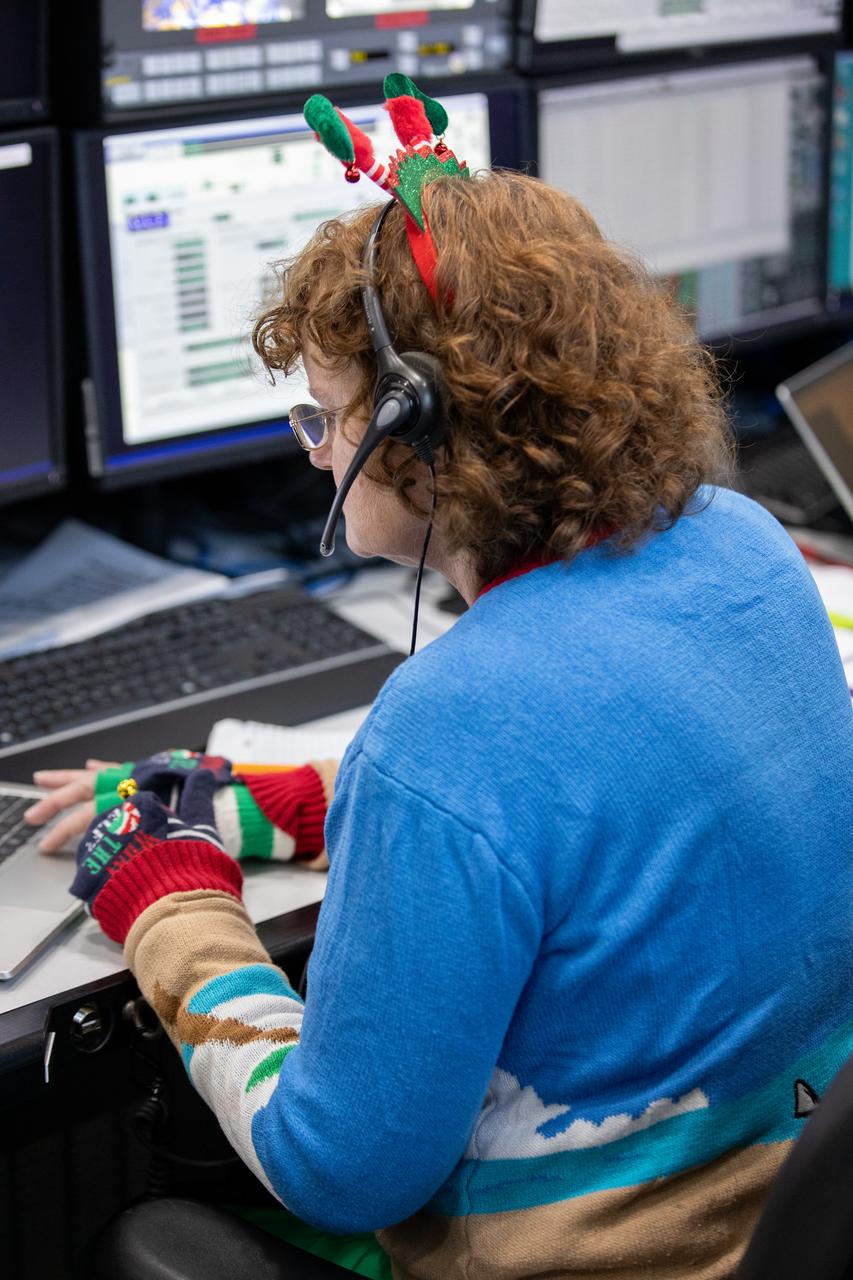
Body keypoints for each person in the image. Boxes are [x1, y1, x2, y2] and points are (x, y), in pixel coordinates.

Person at [26, 83, 853, 1280]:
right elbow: (582, 788)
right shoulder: (742, 542)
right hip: (774, 1215)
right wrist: (296, 796)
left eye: (324, 415)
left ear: (416, 429)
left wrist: (171, 904)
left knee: (147, 1243)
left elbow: (342, 1167)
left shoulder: (447, 732)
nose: (311, 449)